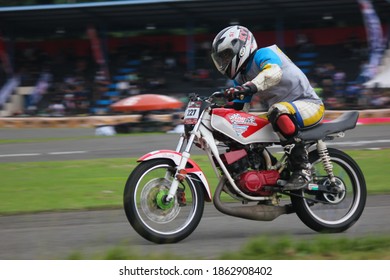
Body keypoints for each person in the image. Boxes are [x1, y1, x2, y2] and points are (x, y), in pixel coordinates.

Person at [211, 25, 325, 190]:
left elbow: (273, 72)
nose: (224, 61)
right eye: (221, 57)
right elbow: (240, 109)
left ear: (241, 48)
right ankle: (268, 174)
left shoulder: (263, 54)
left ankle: (302, 168)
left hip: (309, 105)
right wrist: (214, 110)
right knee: (245, 125)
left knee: (277, 111)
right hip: (281, 113)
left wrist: (249, 87)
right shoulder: (241, 76)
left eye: (227, 55)